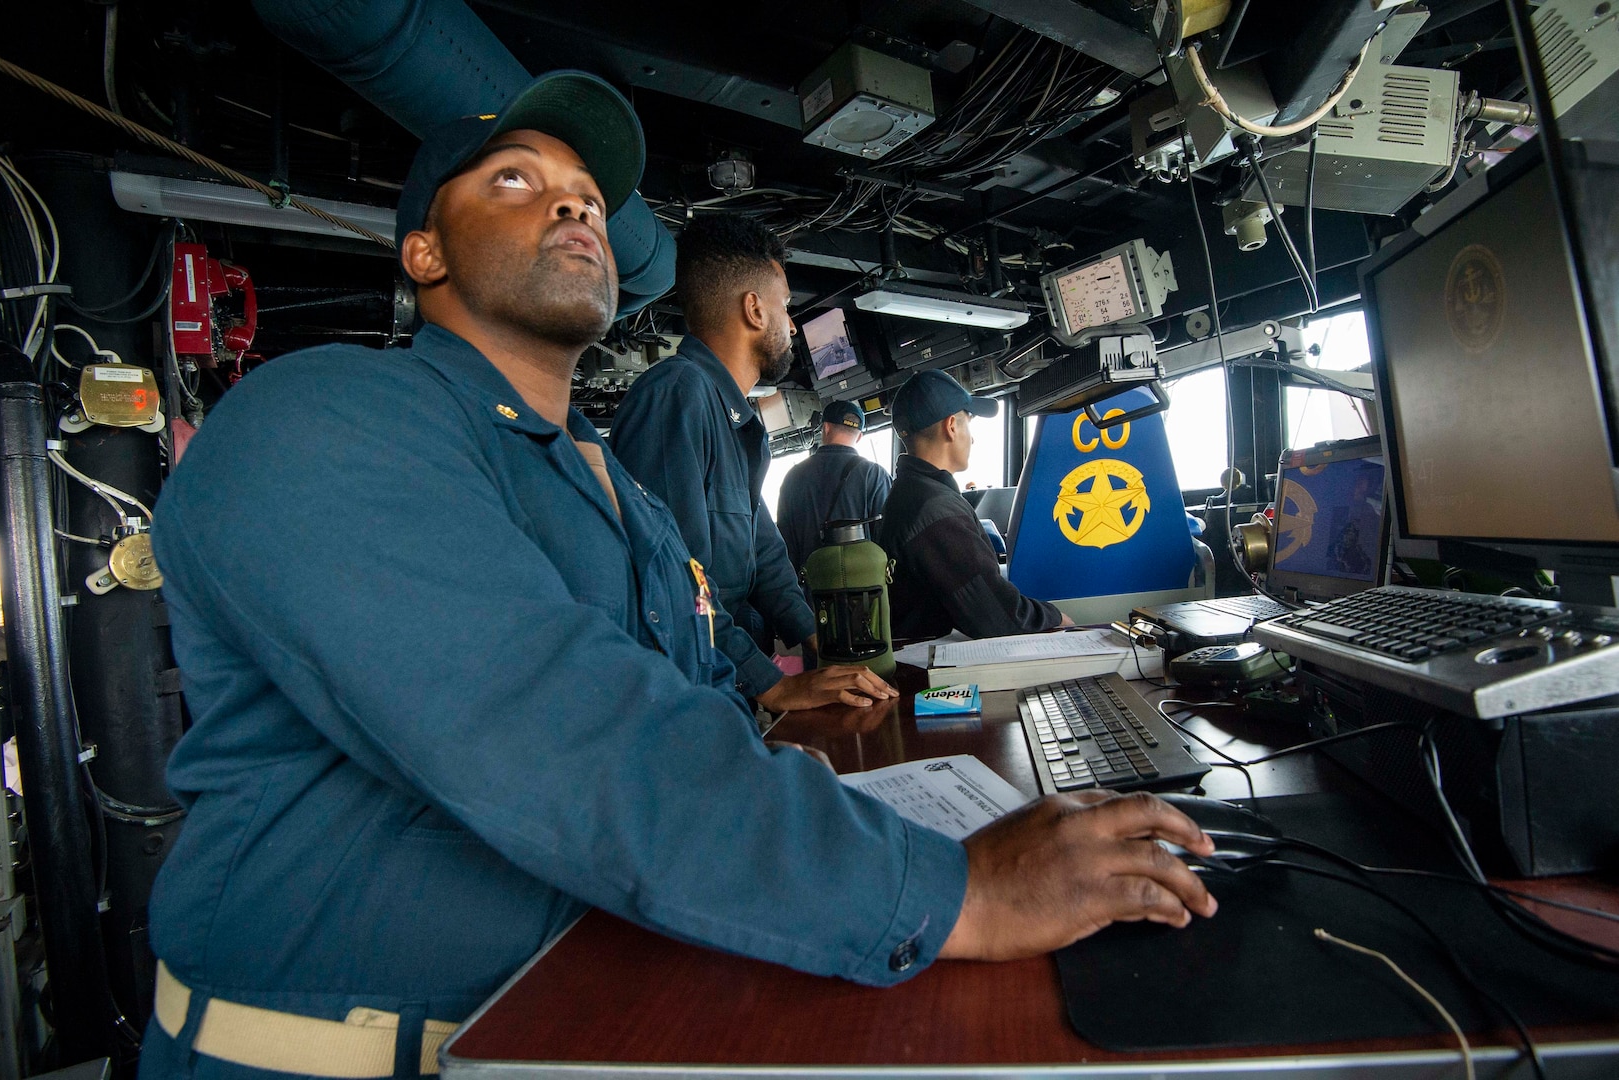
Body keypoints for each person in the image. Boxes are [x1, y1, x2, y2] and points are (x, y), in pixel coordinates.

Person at [142, 73, 1217, 1080]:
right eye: (516, 180)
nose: (573, 210)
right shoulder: (322, 420)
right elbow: (558, 726)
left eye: (587, 198)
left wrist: (764, 687)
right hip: (364, 1048)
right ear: (425, 252)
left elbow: (689, 650)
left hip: (597, 995)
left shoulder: (607, 480)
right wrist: (955, 890)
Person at [610, 216, 891, 709]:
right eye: (786, 306)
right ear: (754, 310)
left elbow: (765, 554)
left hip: (729, 680)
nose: (793, 323)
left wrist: (825, 647)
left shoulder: (737, 420)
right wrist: (772, 683)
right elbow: (675, 578)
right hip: (691, 692)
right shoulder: (678, 395)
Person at [880, 369, 1074, 640]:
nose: (972, 438)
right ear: (951, 427)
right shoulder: (935, 509)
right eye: (968, 423)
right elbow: (995, 616)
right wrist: (1056, 618)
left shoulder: (911, 493)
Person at [776, 399, 892, 579]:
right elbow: (887, 539)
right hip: (865, 593)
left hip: (811, 593)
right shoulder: (875, 475)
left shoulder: (793, 477)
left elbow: (784, 544)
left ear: (826, 428)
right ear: (859, 436)